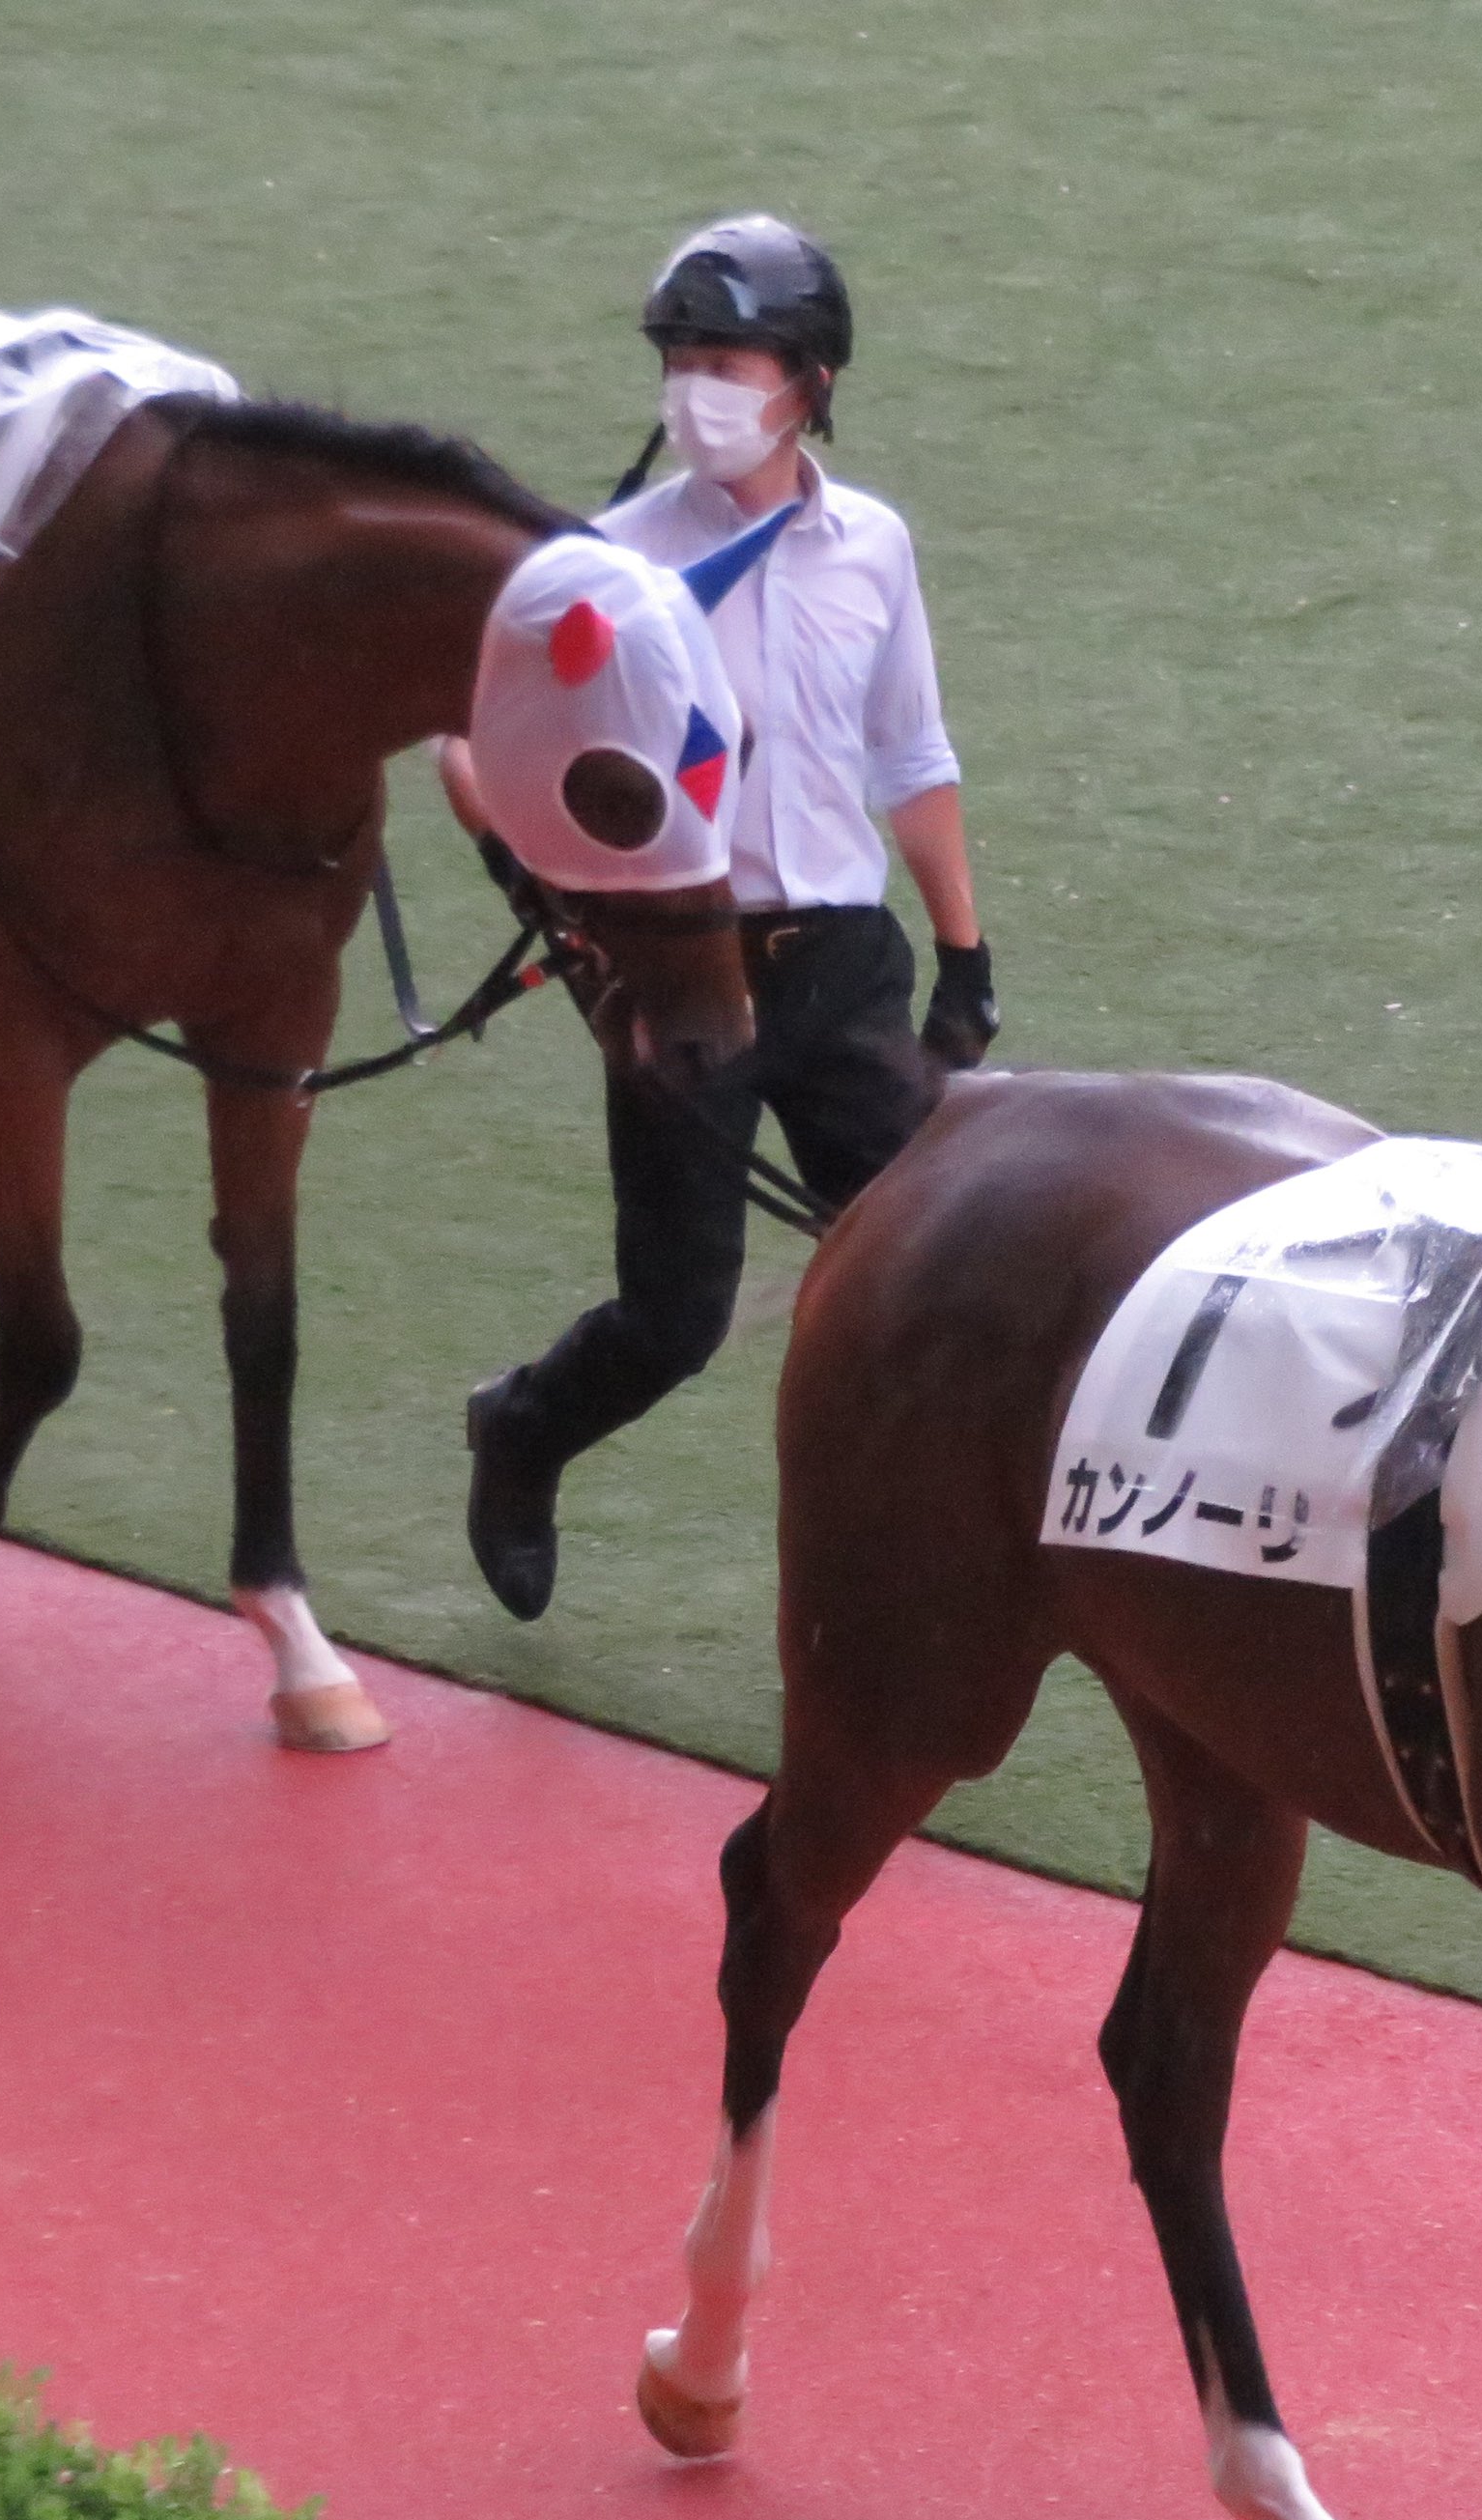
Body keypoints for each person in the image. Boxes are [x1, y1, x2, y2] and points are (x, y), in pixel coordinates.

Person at [442, 212, 997, 1619]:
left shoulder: (873, 547)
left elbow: (911, 756)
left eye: (725, 360)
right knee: (677, 1318)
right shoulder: (607, 566)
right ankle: (523, 1427)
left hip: (845, 966)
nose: (695, 387)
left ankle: (923, 1561)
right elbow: (470, 753)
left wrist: (964, 953)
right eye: (678, 359)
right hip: (688, 979)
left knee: (924, 1279)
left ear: (810, 379)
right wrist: (553, 902)